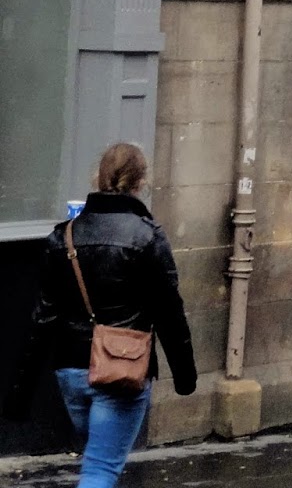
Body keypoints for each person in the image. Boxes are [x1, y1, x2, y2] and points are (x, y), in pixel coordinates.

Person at [3, 142, 197, 488]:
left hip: (71, 371)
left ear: (98, 177)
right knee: (100, 470)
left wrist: (20, 393)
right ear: (141, 182)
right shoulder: (148, 237)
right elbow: (170, 314)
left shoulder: (64, 236)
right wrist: (185, 376)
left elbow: (42, 318)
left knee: (99, 460)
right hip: (121, 369)